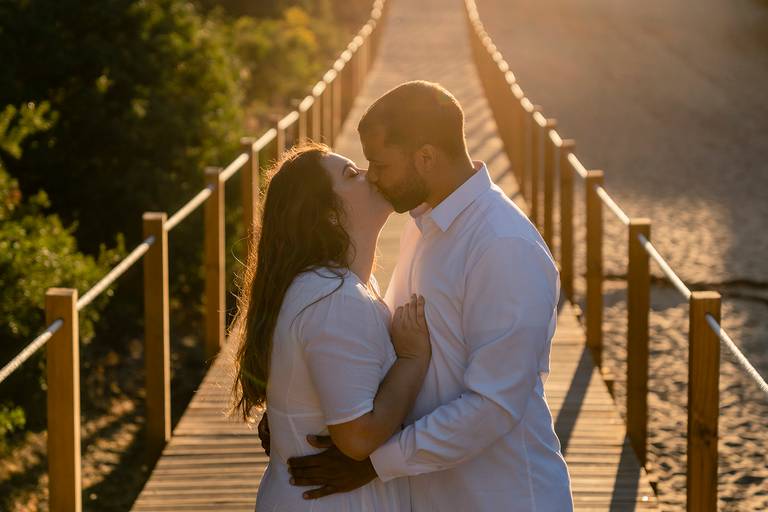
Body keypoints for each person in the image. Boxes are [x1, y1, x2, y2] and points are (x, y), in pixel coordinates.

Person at [276, 81, 574, 511]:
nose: (373, 178)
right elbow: (383, 346)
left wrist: (376, 463)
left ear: (426, 157)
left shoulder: (503, 245)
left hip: (500, 495)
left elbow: (492, 404)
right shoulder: (424, 225)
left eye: (379, 164)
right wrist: (298, 410)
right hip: (432, 493)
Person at [231, 142, 432, 511]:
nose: (371, 173)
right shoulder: (335, 298)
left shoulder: (333, 286)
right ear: (329, 216)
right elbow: (356, 438)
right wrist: (413, 359)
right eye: (351, 174)